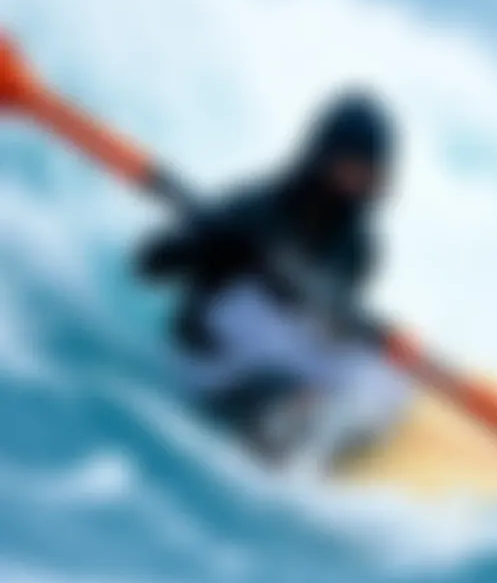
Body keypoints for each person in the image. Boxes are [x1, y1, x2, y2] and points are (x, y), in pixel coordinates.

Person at [136, 91, 410, 464]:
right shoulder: (260, 207)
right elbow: (151, 262)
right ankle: (275, 430)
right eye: (353, 167)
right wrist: (218, 241)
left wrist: (355, 328)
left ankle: (320, 437)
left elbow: (330, 325)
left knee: (389, 379)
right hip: (209, 361)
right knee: (255, 305)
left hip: (276, 360)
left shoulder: (359, 248)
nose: (359, 183)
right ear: (323, 156)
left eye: (371, 173)